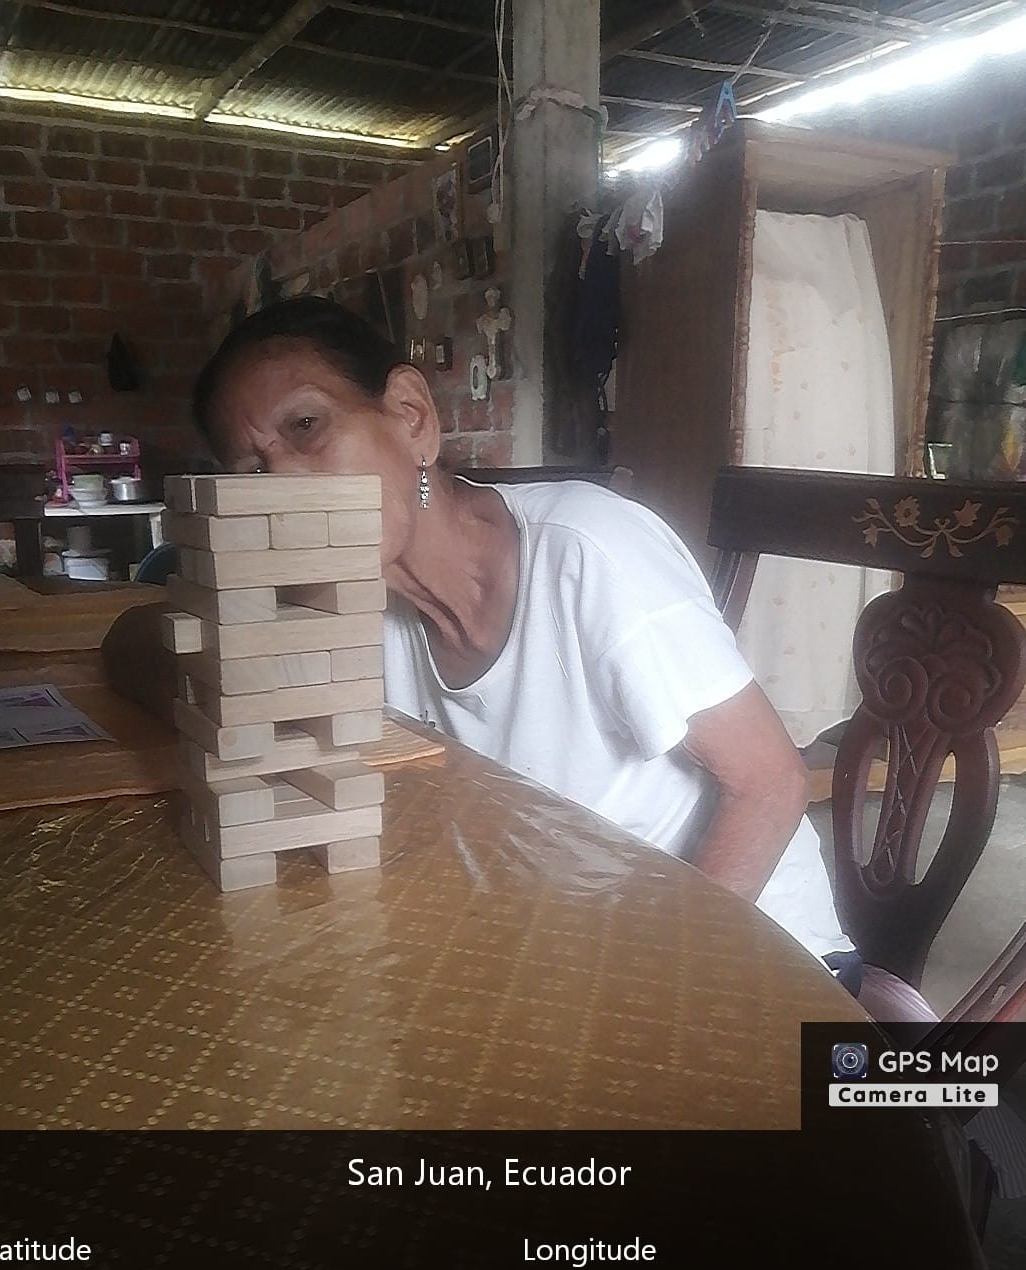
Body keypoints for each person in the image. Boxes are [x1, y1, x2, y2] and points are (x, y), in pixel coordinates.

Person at [189, 295, 860, 989]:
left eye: (307, 426)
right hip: (563, 952)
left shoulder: (587, 552)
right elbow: (177, 668)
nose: (286, 483)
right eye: (253, 472)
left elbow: (770, 784)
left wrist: (648, 986)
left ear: (412, 418)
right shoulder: (352, 618)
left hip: (747, 964)